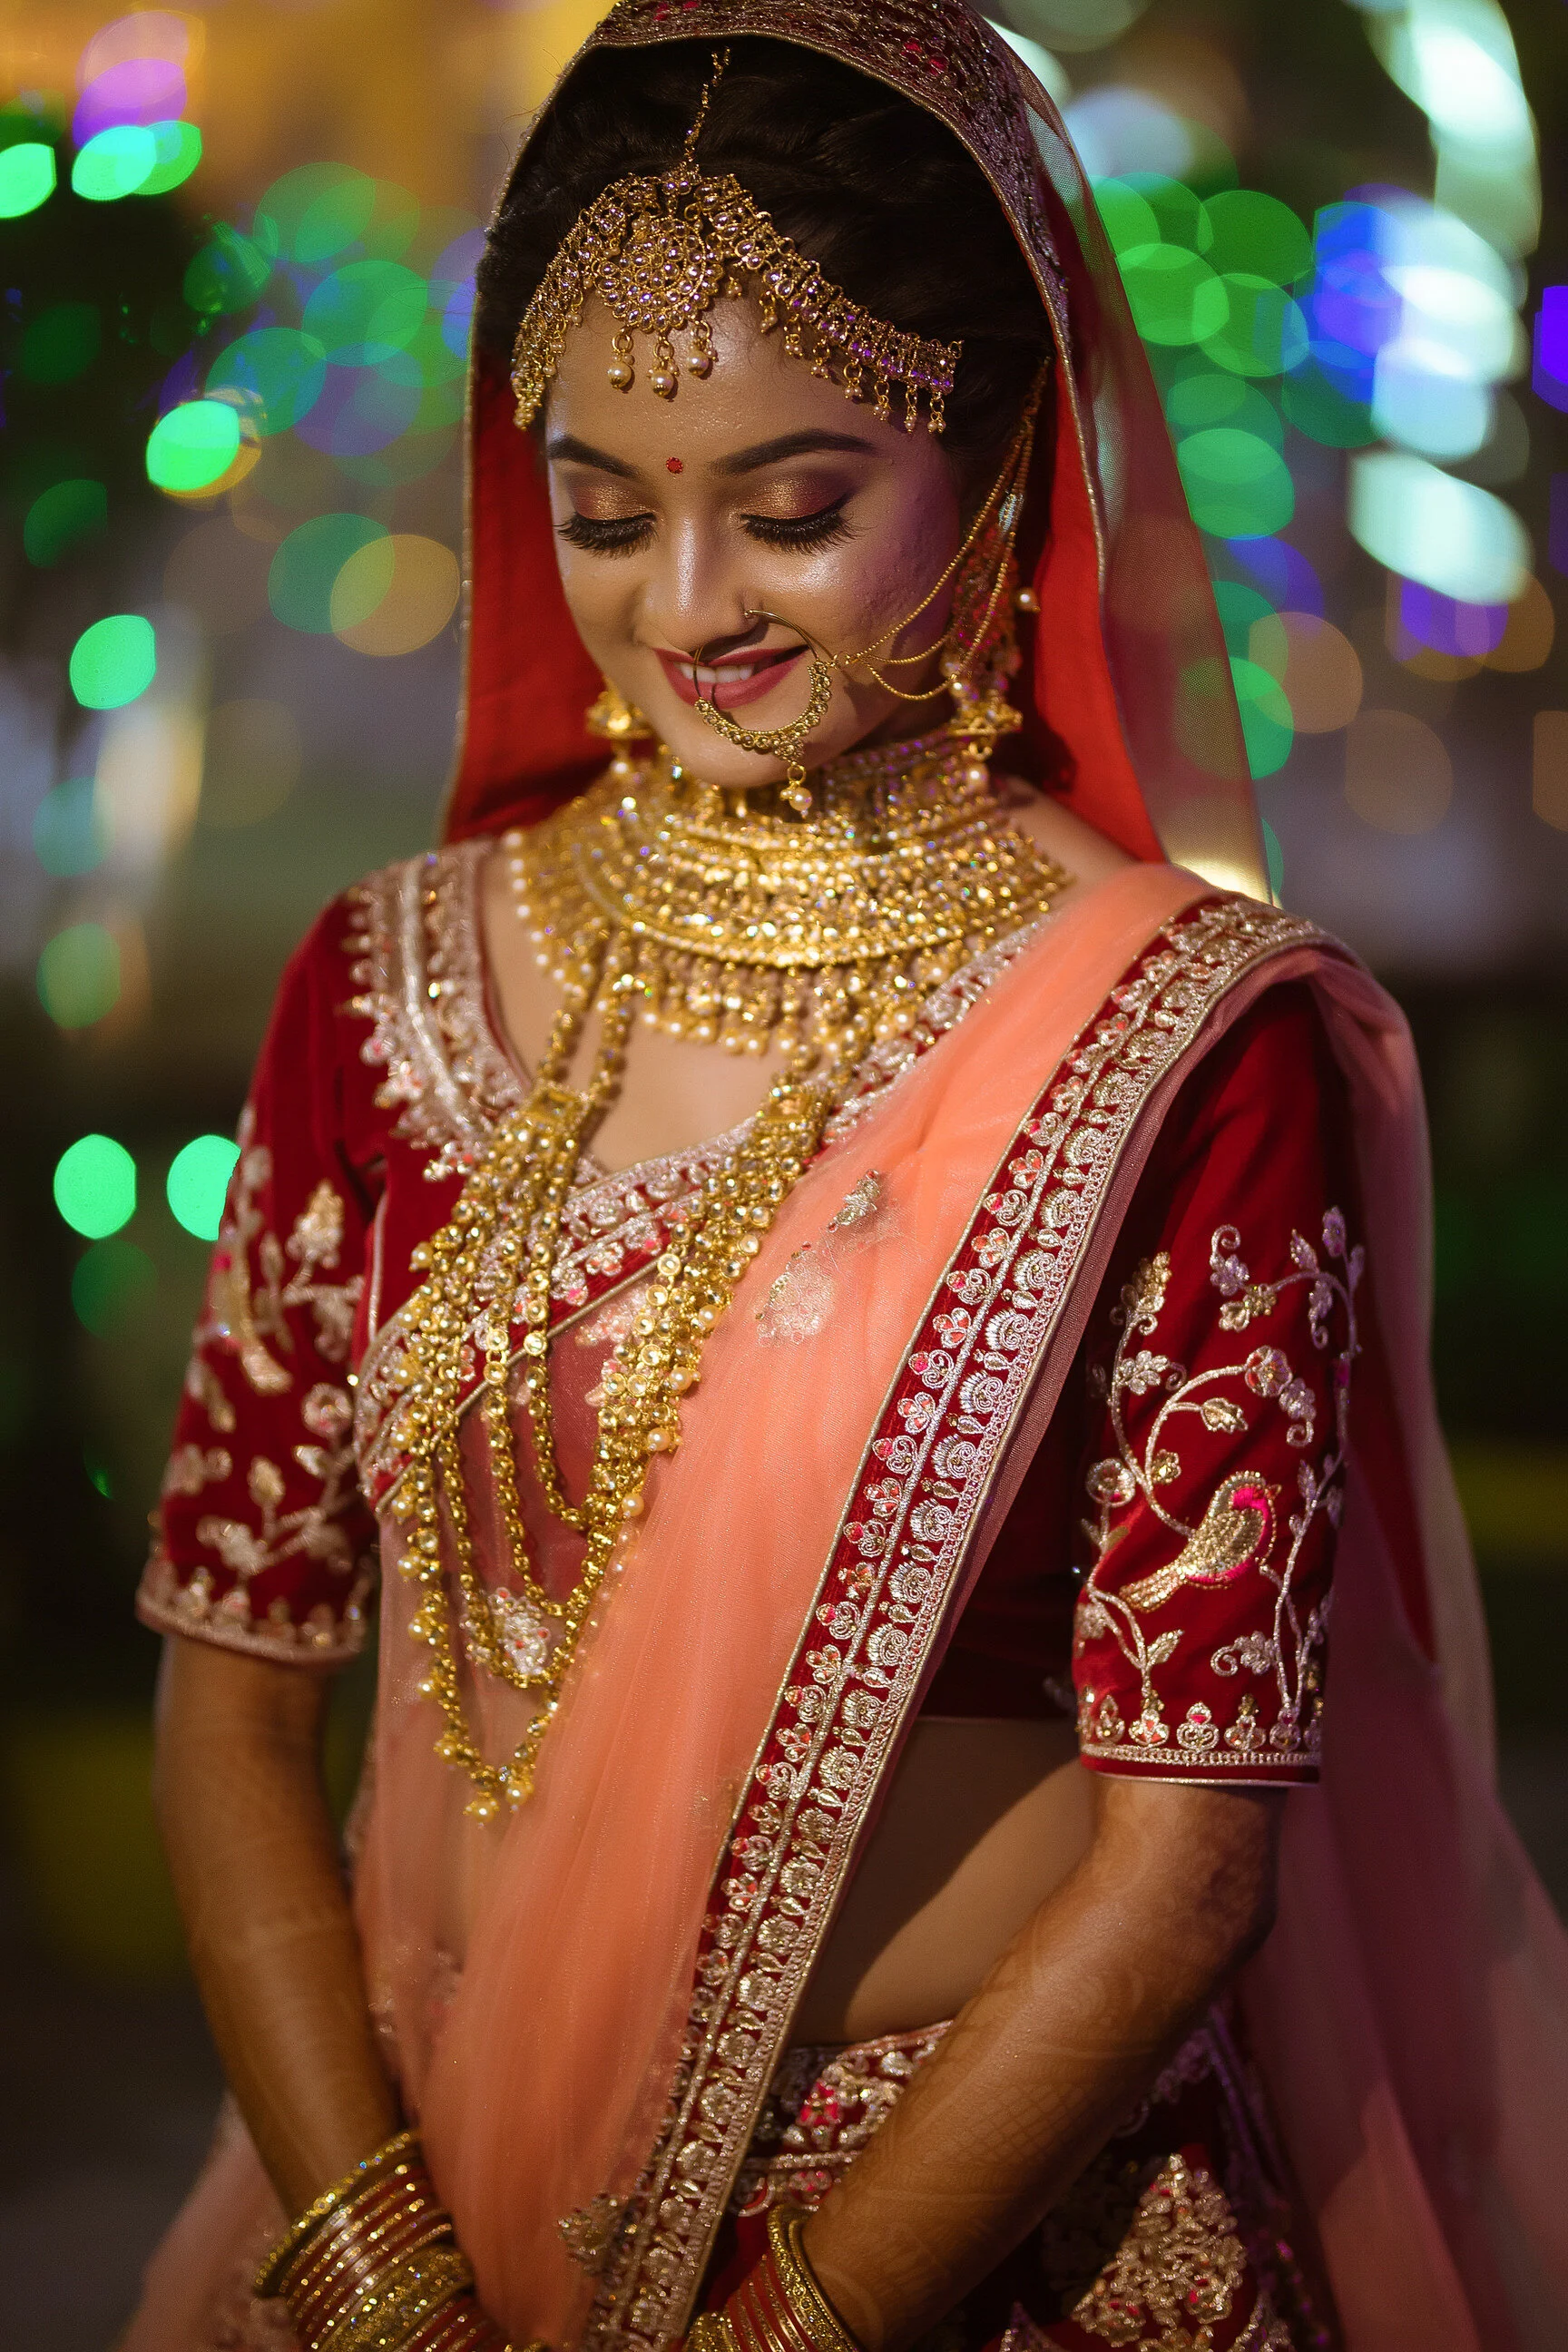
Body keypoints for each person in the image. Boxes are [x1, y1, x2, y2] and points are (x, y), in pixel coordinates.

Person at [127, 8, 1568, 2350]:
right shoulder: (380, 991)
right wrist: (381, 2268)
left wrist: (803, 2313)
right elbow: (230, 1691)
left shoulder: (1183, 1048)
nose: (688, 601)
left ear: (1002, 464)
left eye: (792, 510)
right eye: (605, 509)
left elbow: (1191, 1858)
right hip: (414, 2230)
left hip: (1000, 2251)